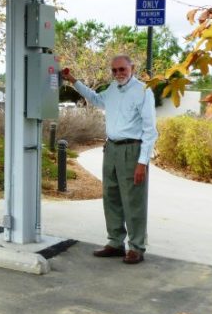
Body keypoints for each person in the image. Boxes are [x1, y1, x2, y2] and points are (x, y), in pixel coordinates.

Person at [62, 55, 157, 265]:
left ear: (132, 68)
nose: (118, 74)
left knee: (133, 200)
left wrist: (142, 162)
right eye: (114, 70)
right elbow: (96, 99)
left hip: (132, 150)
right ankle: (115, 242)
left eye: (122, 69)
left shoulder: (143, 91)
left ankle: (136, 247)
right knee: (111, 196)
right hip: (112, 149)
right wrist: (73, 80)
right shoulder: (113, 89)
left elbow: (151, 130)